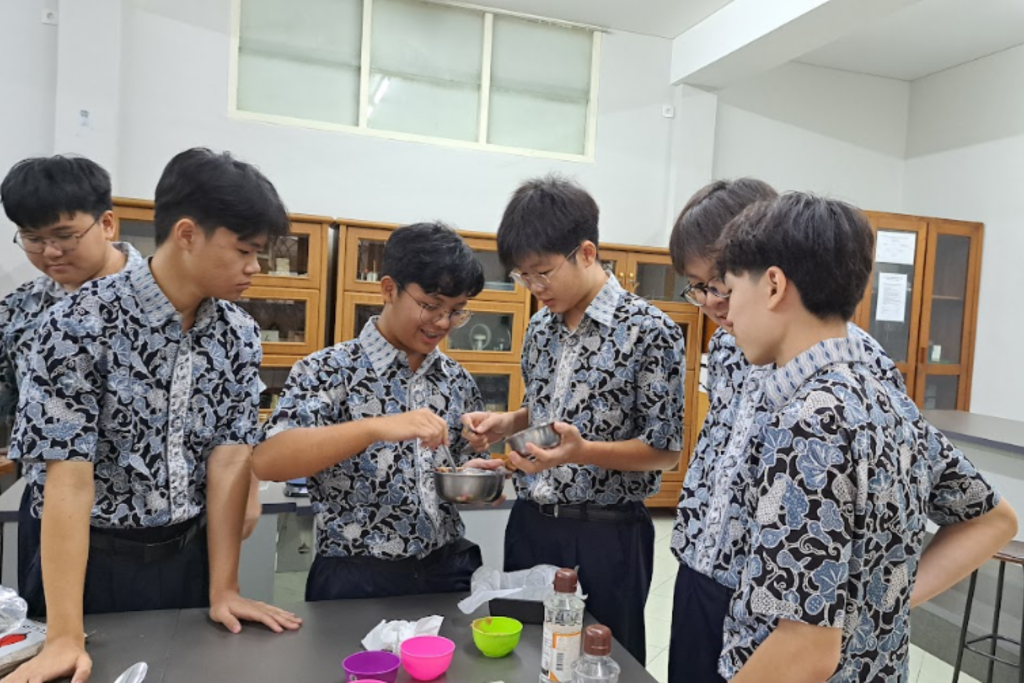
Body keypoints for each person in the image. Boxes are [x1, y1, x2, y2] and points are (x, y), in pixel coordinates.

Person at [4, 148, 302, 683]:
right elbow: (68, 480)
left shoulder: (238, 334)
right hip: (92, 561)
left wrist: (224, 588)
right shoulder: (76, 323)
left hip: (187, 553)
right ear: (187, 234)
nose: (254, 267)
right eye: (243, 250)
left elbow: (230, 459)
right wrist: (65, 634)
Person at [714, 192, 1017, 682]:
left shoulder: (808, 420)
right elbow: (992, 518)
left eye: (730, 291)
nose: (727, 314)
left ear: (772, 285)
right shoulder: (887, 399)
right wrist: (880, 602)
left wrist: (863, 608)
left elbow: (805, 650)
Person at [463, 175, 686, 664]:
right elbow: (548, 409)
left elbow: (665, 451)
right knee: (526, 657)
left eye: (543, 273)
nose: (535, 287)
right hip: (532, 525)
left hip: (607, 533)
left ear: (586, 253)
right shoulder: (540, 327)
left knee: (602, 661)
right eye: (523, 276)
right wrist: (508, 422)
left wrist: (582, 453)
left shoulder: (650, 332)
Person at [253, 222, 489, 600]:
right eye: (431, 306)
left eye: (456, 311)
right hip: (356, 574)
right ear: (389, 289)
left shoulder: (456, 380)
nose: (443, 323)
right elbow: (269, 461)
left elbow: (456, 467)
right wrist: (374, 428)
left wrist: (475, 476)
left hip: (446, 568)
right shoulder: (327, 371)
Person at [0, 155, 145, 615]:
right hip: (48, 512)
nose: (50, 253)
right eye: (32, 238)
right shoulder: (19, 310)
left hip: (151, 524)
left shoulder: (162, 300)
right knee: (55, 640)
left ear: (107, 223)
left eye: (64, 236)